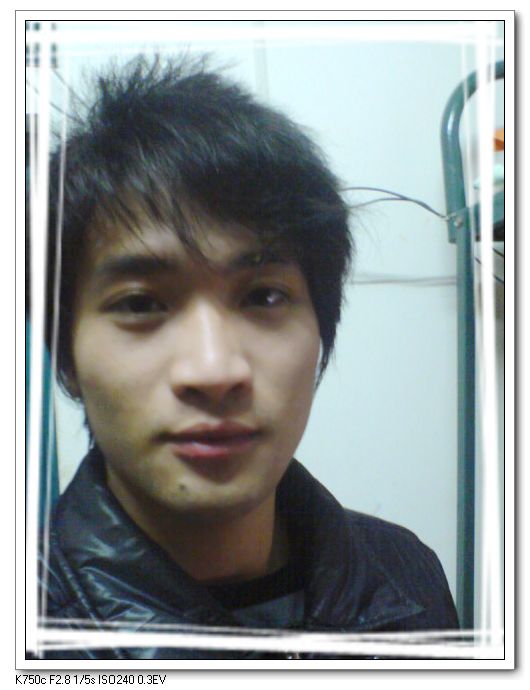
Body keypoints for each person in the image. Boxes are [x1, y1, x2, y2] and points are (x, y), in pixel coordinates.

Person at [36, 55, 459, 660]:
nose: (214, 370)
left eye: (264, 296)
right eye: (140, 303)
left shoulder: (406, 576)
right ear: (67, 357)